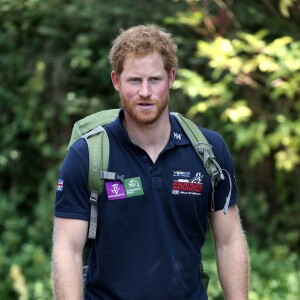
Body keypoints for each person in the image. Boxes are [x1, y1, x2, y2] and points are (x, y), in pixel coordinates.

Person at [52, 24, 249, 300]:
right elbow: (67, 249)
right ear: (116, 81)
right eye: (134, 80)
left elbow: (229, 241)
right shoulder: (87, 156)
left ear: (171, 78)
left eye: (154, 80)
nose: (145, 92)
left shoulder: (208, 151)